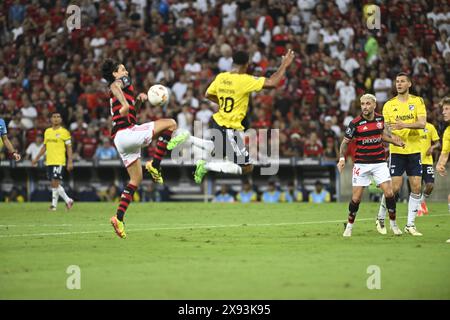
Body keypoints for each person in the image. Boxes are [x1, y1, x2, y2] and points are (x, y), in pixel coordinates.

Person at [168, 50, 295, 184]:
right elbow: (272, 82)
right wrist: (284, 65)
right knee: (247, 167)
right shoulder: (245, 80)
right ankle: (205, 165)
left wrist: (222, 103)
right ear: (247, 64)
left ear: (232, 62)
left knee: (218, 150)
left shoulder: (221, 77)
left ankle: (187, 138)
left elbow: (208, 94)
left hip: (217, 122)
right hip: (229, 128)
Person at [101, 59, 187, 239]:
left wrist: (137, 103)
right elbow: (114, 87)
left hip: (120, 137)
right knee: (171, 124)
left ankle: (118, 218)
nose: (126, 72)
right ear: (115, 74)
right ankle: (155, 164)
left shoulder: (125, 89)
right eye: (122, 69)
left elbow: (131, 115)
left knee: (136, 178)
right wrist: (125, 103)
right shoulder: (122, 82)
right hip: (126, 133)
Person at [337, 94, 405, 237]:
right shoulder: (355, 123)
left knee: (389, 193)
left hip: (379, 162)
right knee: (356, 198)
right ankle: (349, 226)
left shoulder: (380, 119)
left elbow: (383, 135)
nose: (365, 107)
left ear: (374, 105)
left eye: (368, 104)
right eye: (362, 104)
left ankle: (393, 225)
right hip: (361, 164)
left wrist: (395, 141)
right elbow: (344, 143)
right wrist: (342, 159)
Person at [377, 73, 427, 236]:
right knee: (395, 188)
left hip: (414, 150)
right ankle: (381, 218)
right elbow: (385, 128)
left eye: (402, 81)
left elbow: (422, 123)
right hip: (397, 151)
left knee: (417, 187)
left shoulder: (417, 101)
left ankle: (410, 225)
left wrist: (403, 125)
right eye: (397, 81)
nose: (399, 84)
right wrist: (392, 135)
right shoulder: (389, 105)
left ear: (409, 84)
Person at [32, 112, 74, 211]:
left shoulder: (64, 132)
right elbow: (44, 147)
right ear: (51, 119)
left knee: (55, 182)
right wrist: (36, 158)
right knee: (53, 183)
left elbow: (69, 148)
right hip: (49, 161)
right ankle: (60, 203)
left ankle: (61, 203)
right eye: (54, 117)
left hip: (59, 160)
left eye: (58, 117)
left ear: (61, 119)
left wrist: (70, 161)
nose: (56, 119)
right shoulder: (47, 131)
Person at [417, 120, 440, 215]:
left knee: (430, 185)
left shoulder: (430, 127)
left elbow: (438, 143)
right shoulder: (412, 126)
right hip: (415, 161)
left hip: (427, 161)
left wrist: (432, 148)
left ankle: (422, 202)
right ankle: (418, 208)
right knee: (417, 187)